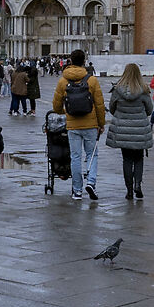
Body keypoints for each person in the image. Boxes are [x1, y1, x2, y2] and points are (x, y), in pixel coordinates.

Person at [52, 51, 106, 202]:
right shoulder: (92, 80)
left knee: (75, 157)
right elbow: (100, 105)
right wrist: (101, 124)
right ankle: (91, 182)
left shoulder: (63, 81)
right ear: (84, 61)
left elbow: (56, 107)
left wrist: (66, 112)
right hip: (90, 125)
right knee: (92, 155)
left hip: (73, 126)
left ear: (70, 61)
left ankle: (77, 191)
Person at [106, 63, 154, 201]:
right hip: (140, 129)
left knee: (127, 160)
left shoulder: (117, 90)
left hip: (122, 129)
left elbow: (112, 108)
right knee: (139, 158)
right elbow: (150, 110)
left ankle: (129, 190)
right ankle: (138, 185)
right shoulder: (144, 90)